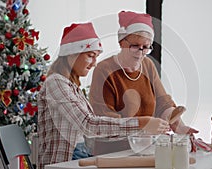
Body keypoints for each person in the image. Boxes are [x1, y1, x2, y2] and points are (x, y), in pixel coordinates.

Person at [37, 22, 170, 169]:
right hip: (65, 161)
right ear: (72, 54)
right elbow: (89, 124)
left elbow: (94, 129)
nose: (94, 64)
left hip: (81, 156)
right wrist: (141, 123)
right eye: (90, 56)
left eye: (96, 57)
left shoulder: (72, 87)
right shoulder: (55, 83)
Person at [88, 11, 198, 154]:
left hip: (146, 149)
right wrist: (144, 126)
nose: (140, 52)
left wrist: (178, 126)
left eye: (145, 47)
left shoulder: (147, 65)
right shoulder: (104, 69)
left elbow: (162, 101)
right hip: (113, 153)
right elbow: (105, 120)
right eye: (135, 45)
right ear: (122, 42)